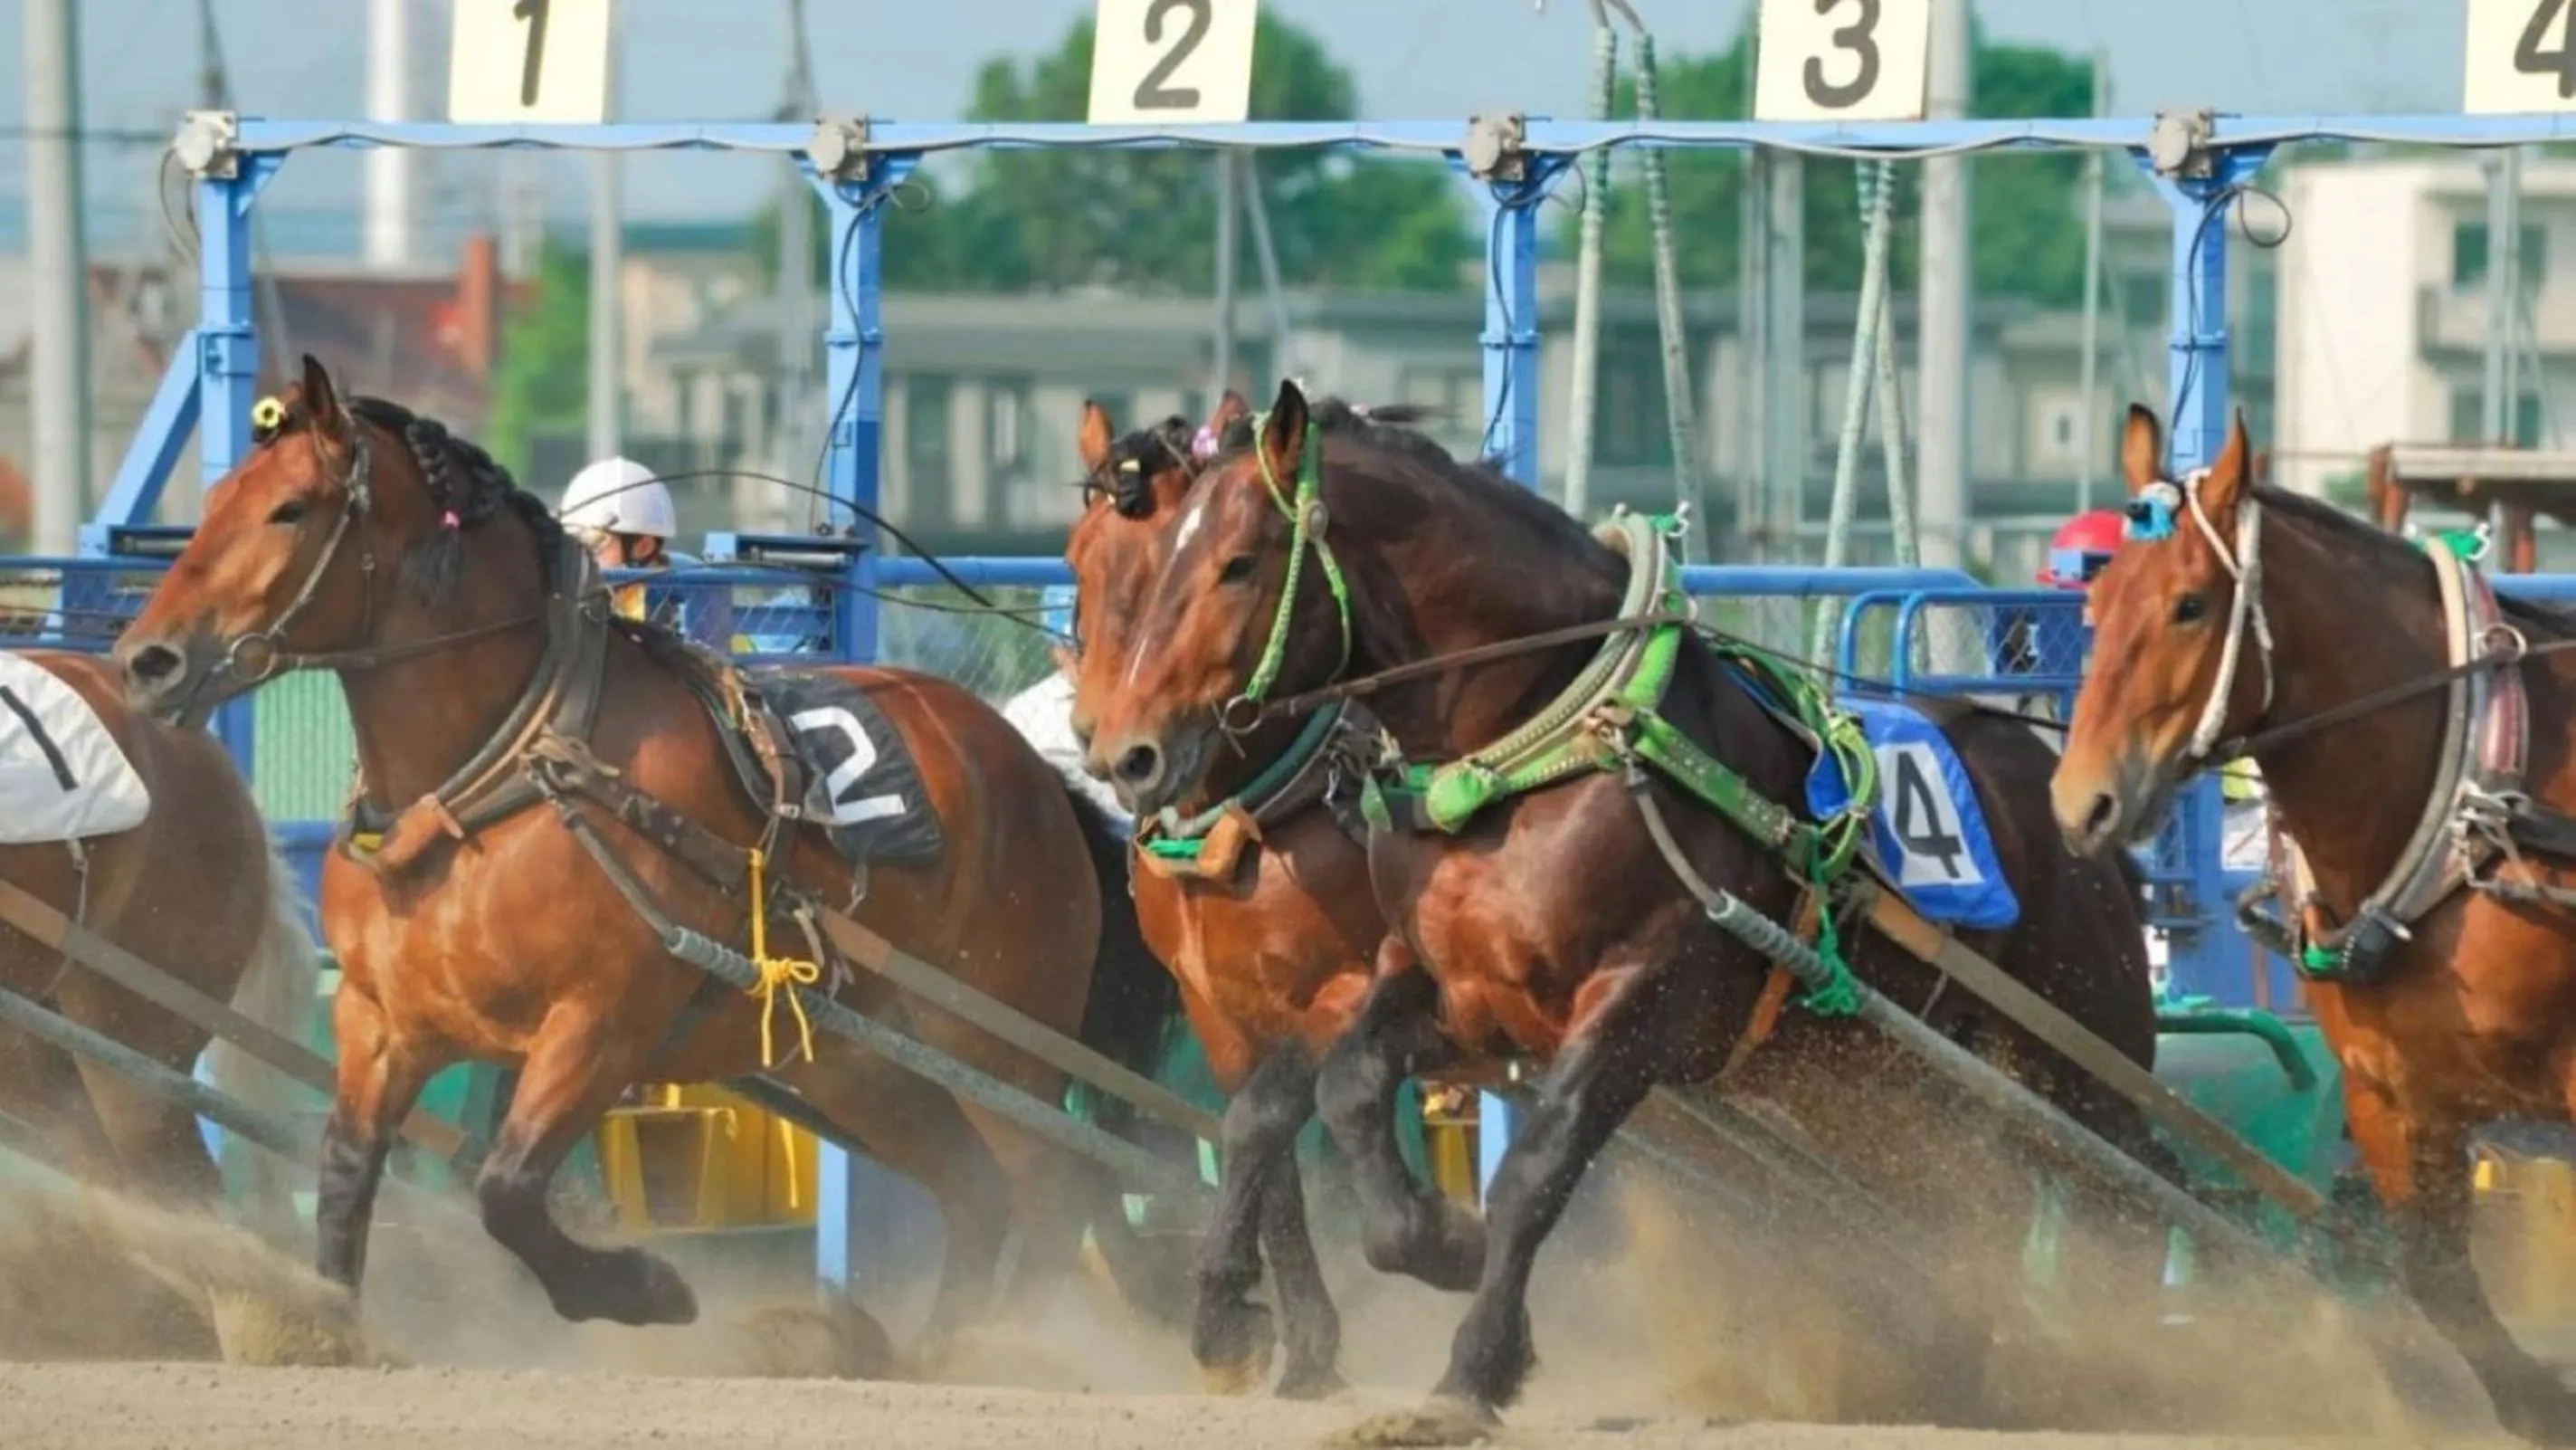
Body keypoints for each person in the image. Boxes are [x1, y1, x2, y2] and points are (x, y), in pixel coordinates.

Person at [558, 456, 688, 625]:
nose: (583, 556)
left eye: (595, 543)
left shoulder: (690, 594)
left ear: (643, 547)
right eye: (574, 542)